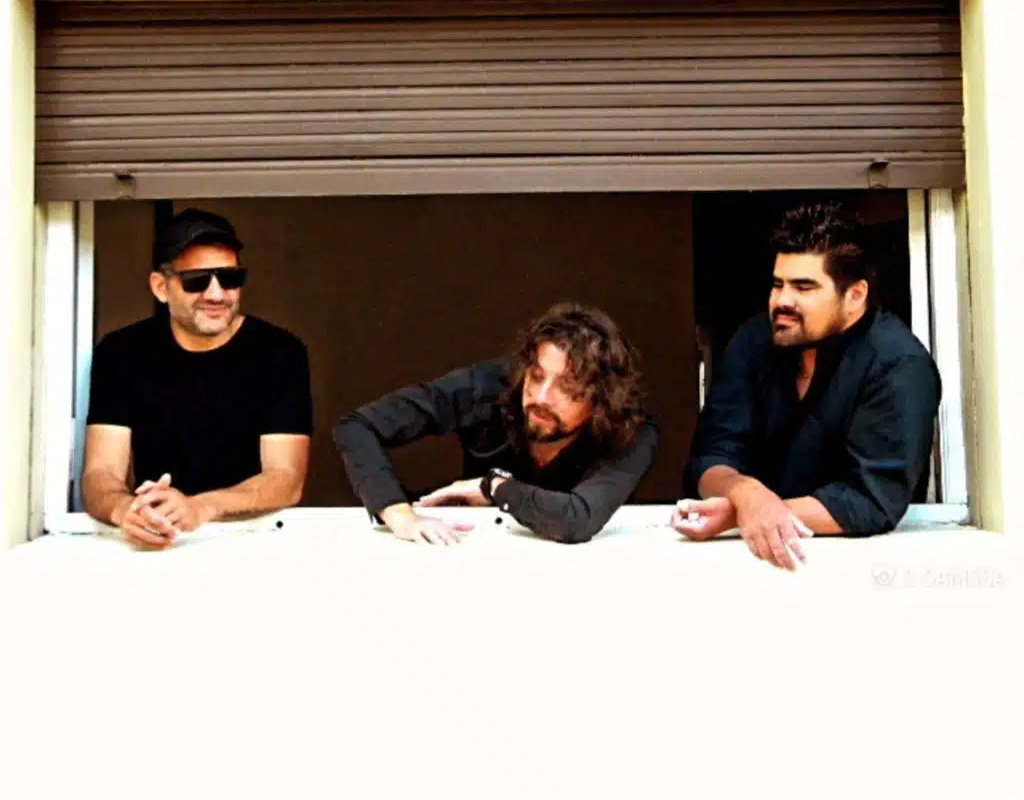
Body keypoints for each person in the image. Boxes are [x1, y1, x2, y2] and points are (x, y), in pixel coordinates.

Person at [674, 202, 941, 570]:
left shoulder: (897, 365)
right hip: (737, 563)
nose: (782, 301)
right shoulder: (754, 340)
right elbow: (710, 456)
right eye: (777, 284)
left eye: (804, 287)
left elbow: (870, 499)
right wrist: (744, 493)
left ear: (855, 295)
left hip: (856, 568)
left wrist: (746, 512)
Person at [82, 208, 313, 549]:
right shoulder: (122, 352)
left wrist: (199, 507)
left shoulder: (279, 352)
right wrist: (124, 511)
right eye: (197, 280)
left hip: (256, 540)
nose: (216, 294)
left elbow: (286, 479)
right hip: (159, 543)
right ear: (161, 287)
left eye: (230, 278)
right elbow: (100, 473)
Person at [335, 302, 659, 545]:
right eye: (536, 376)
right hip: (478, 557)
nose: (541, 397)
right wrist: (399, 514)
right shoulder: (487, 388)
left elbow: (576, 520)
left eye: (568, 386)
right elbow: (357, 426)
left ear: (603, 398)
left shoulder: (630, 431)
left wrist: (491, 487)